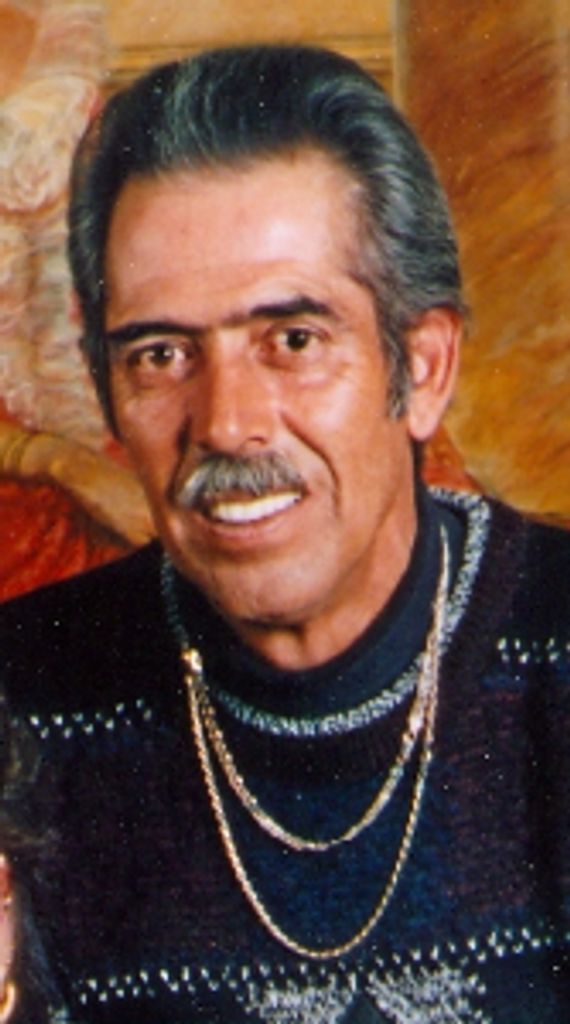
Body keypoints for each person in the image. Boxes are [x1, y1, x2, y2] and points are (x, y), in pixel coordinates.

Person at [0, 44, 568, 1024]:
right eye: (162, 354)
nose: (227, 423)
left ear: (423, 368)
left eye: (294, 340)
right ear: (106, 392)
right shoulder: (22, 699)